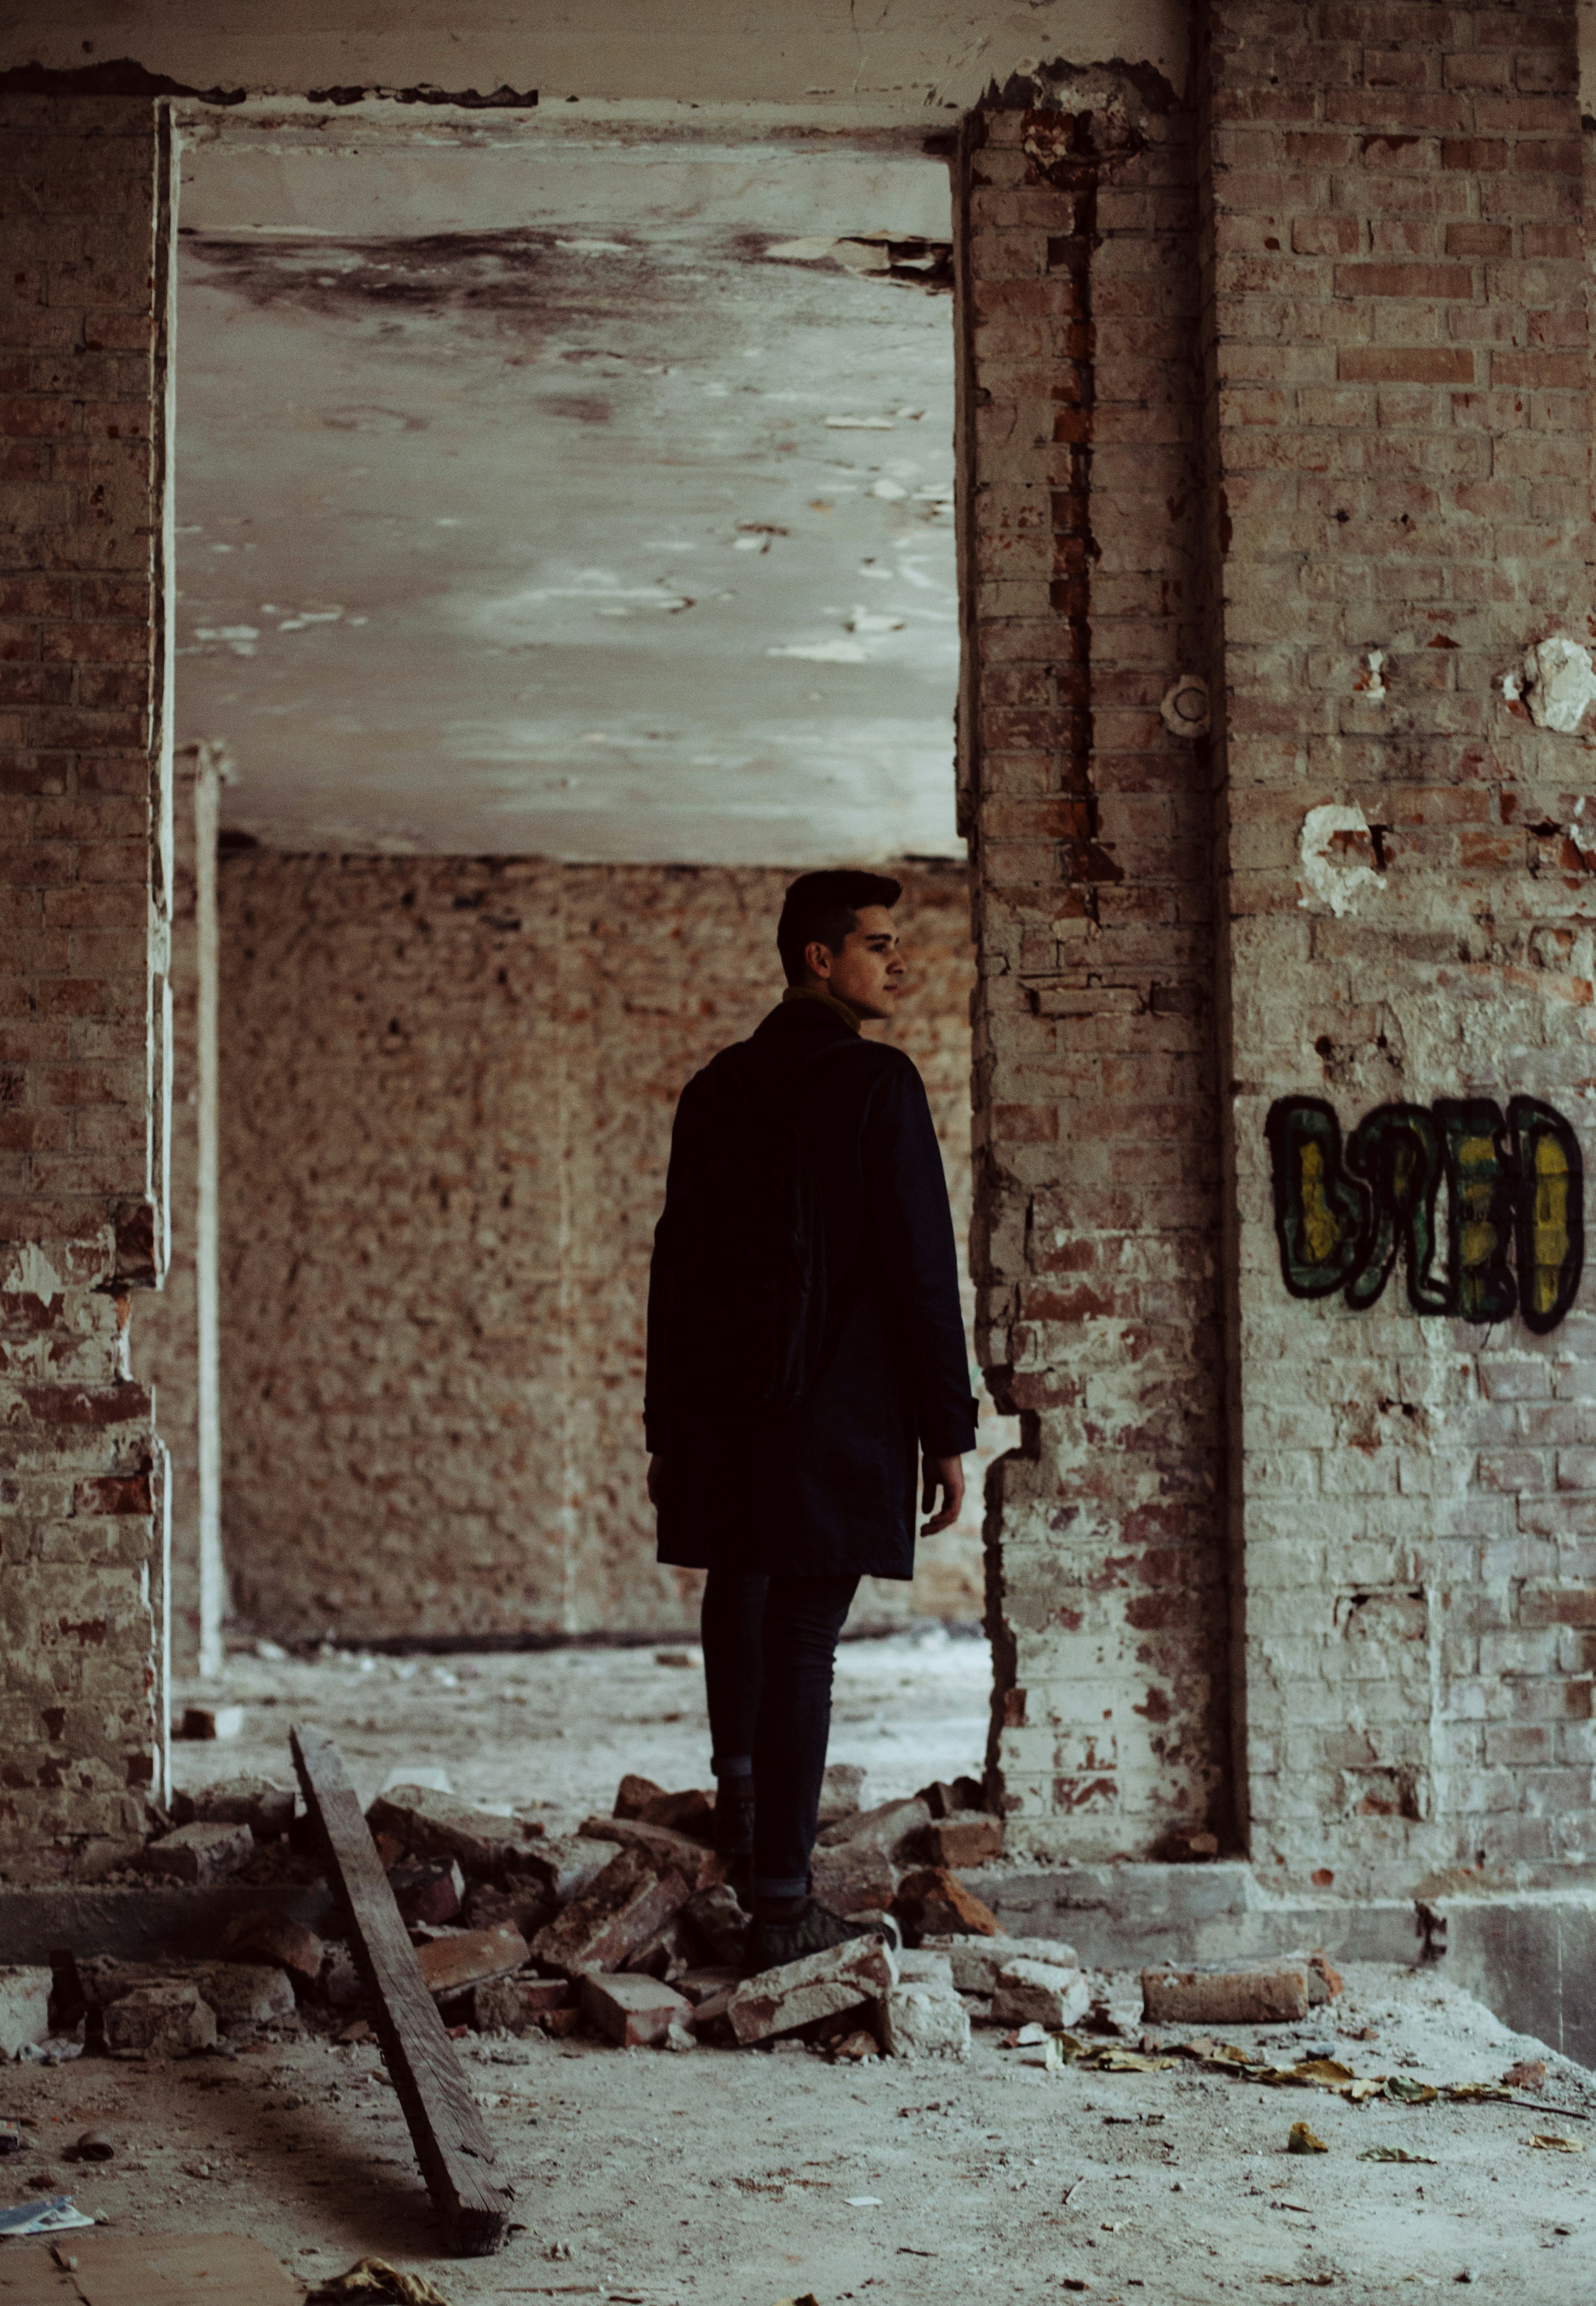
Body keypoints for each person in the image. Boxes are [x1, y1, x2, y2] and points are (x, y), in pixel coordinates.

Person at [644, 867, 976, 1970]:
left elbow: (674, 1270)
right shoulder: (878, 1084)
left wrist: (665, 1425)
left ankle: (745, 1817)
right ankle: (781, 1905)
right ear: (816, 960)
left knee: (744, 1587)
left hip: (727, 1409)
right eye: (878, 944)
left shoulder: (716, 1088)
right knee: (802, 1642)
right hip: (834, 1412)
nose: (898, 962)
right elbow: (919, 1266)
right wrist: (948, 1428)